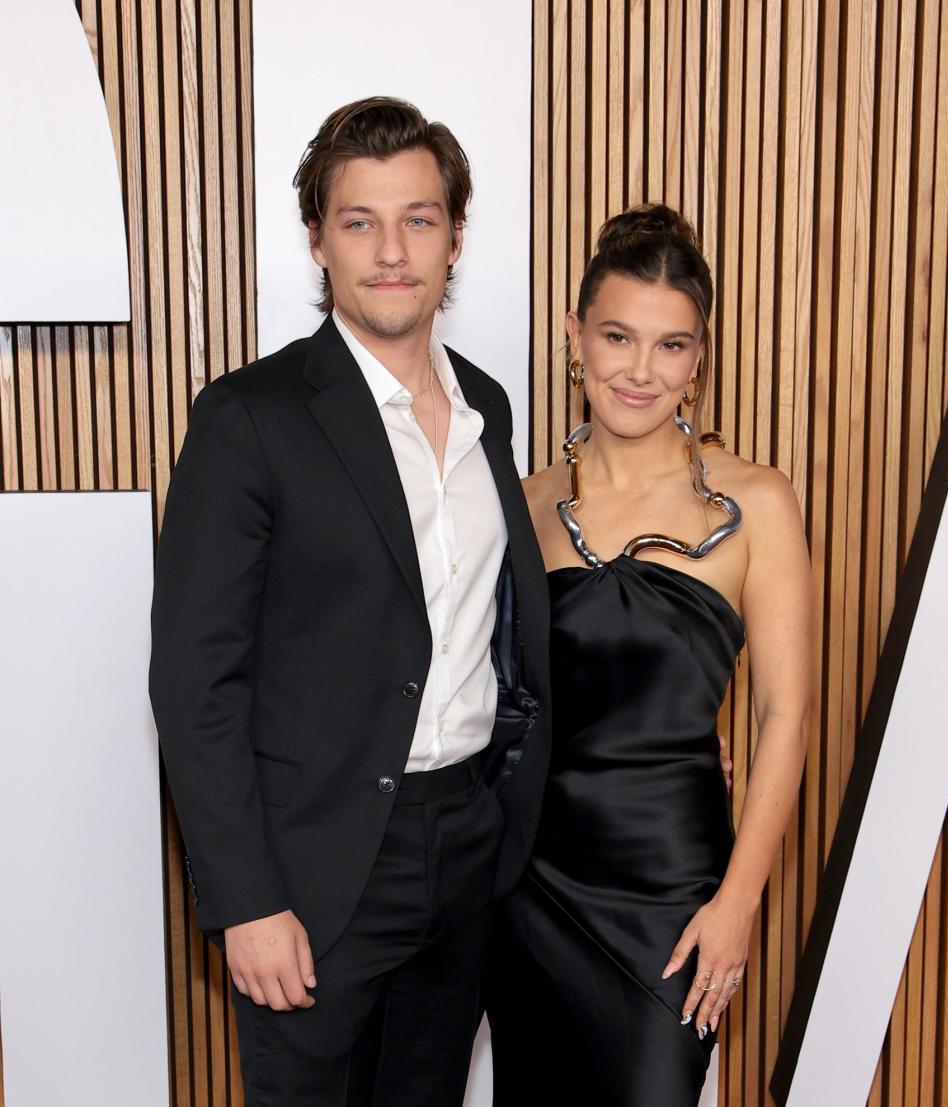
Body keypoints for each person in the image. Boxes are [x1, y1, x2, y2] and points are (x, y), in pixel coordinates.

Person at [149, 96, 552, 1107]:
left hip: (466, 847)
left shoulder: (487, 410)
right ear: (318, 238)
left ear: (455, 238)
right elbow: (195, 680)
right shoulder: (251, 417)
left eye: (418, 219)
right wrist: (247, 899)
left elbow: (501, 630)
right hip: (315, 868)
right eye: (359, 221)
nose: (390, 251)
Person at [488, 204, 812, 1106]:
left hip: (675, 891)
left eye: (671, 345)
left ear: (698, 358)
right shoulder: (524, 501)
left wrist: (739, 901)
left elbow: (785, 714)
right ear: (574, 337)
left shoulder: (758, 502)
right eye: (618, 336)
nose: (639, 370)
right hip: (533, 885)